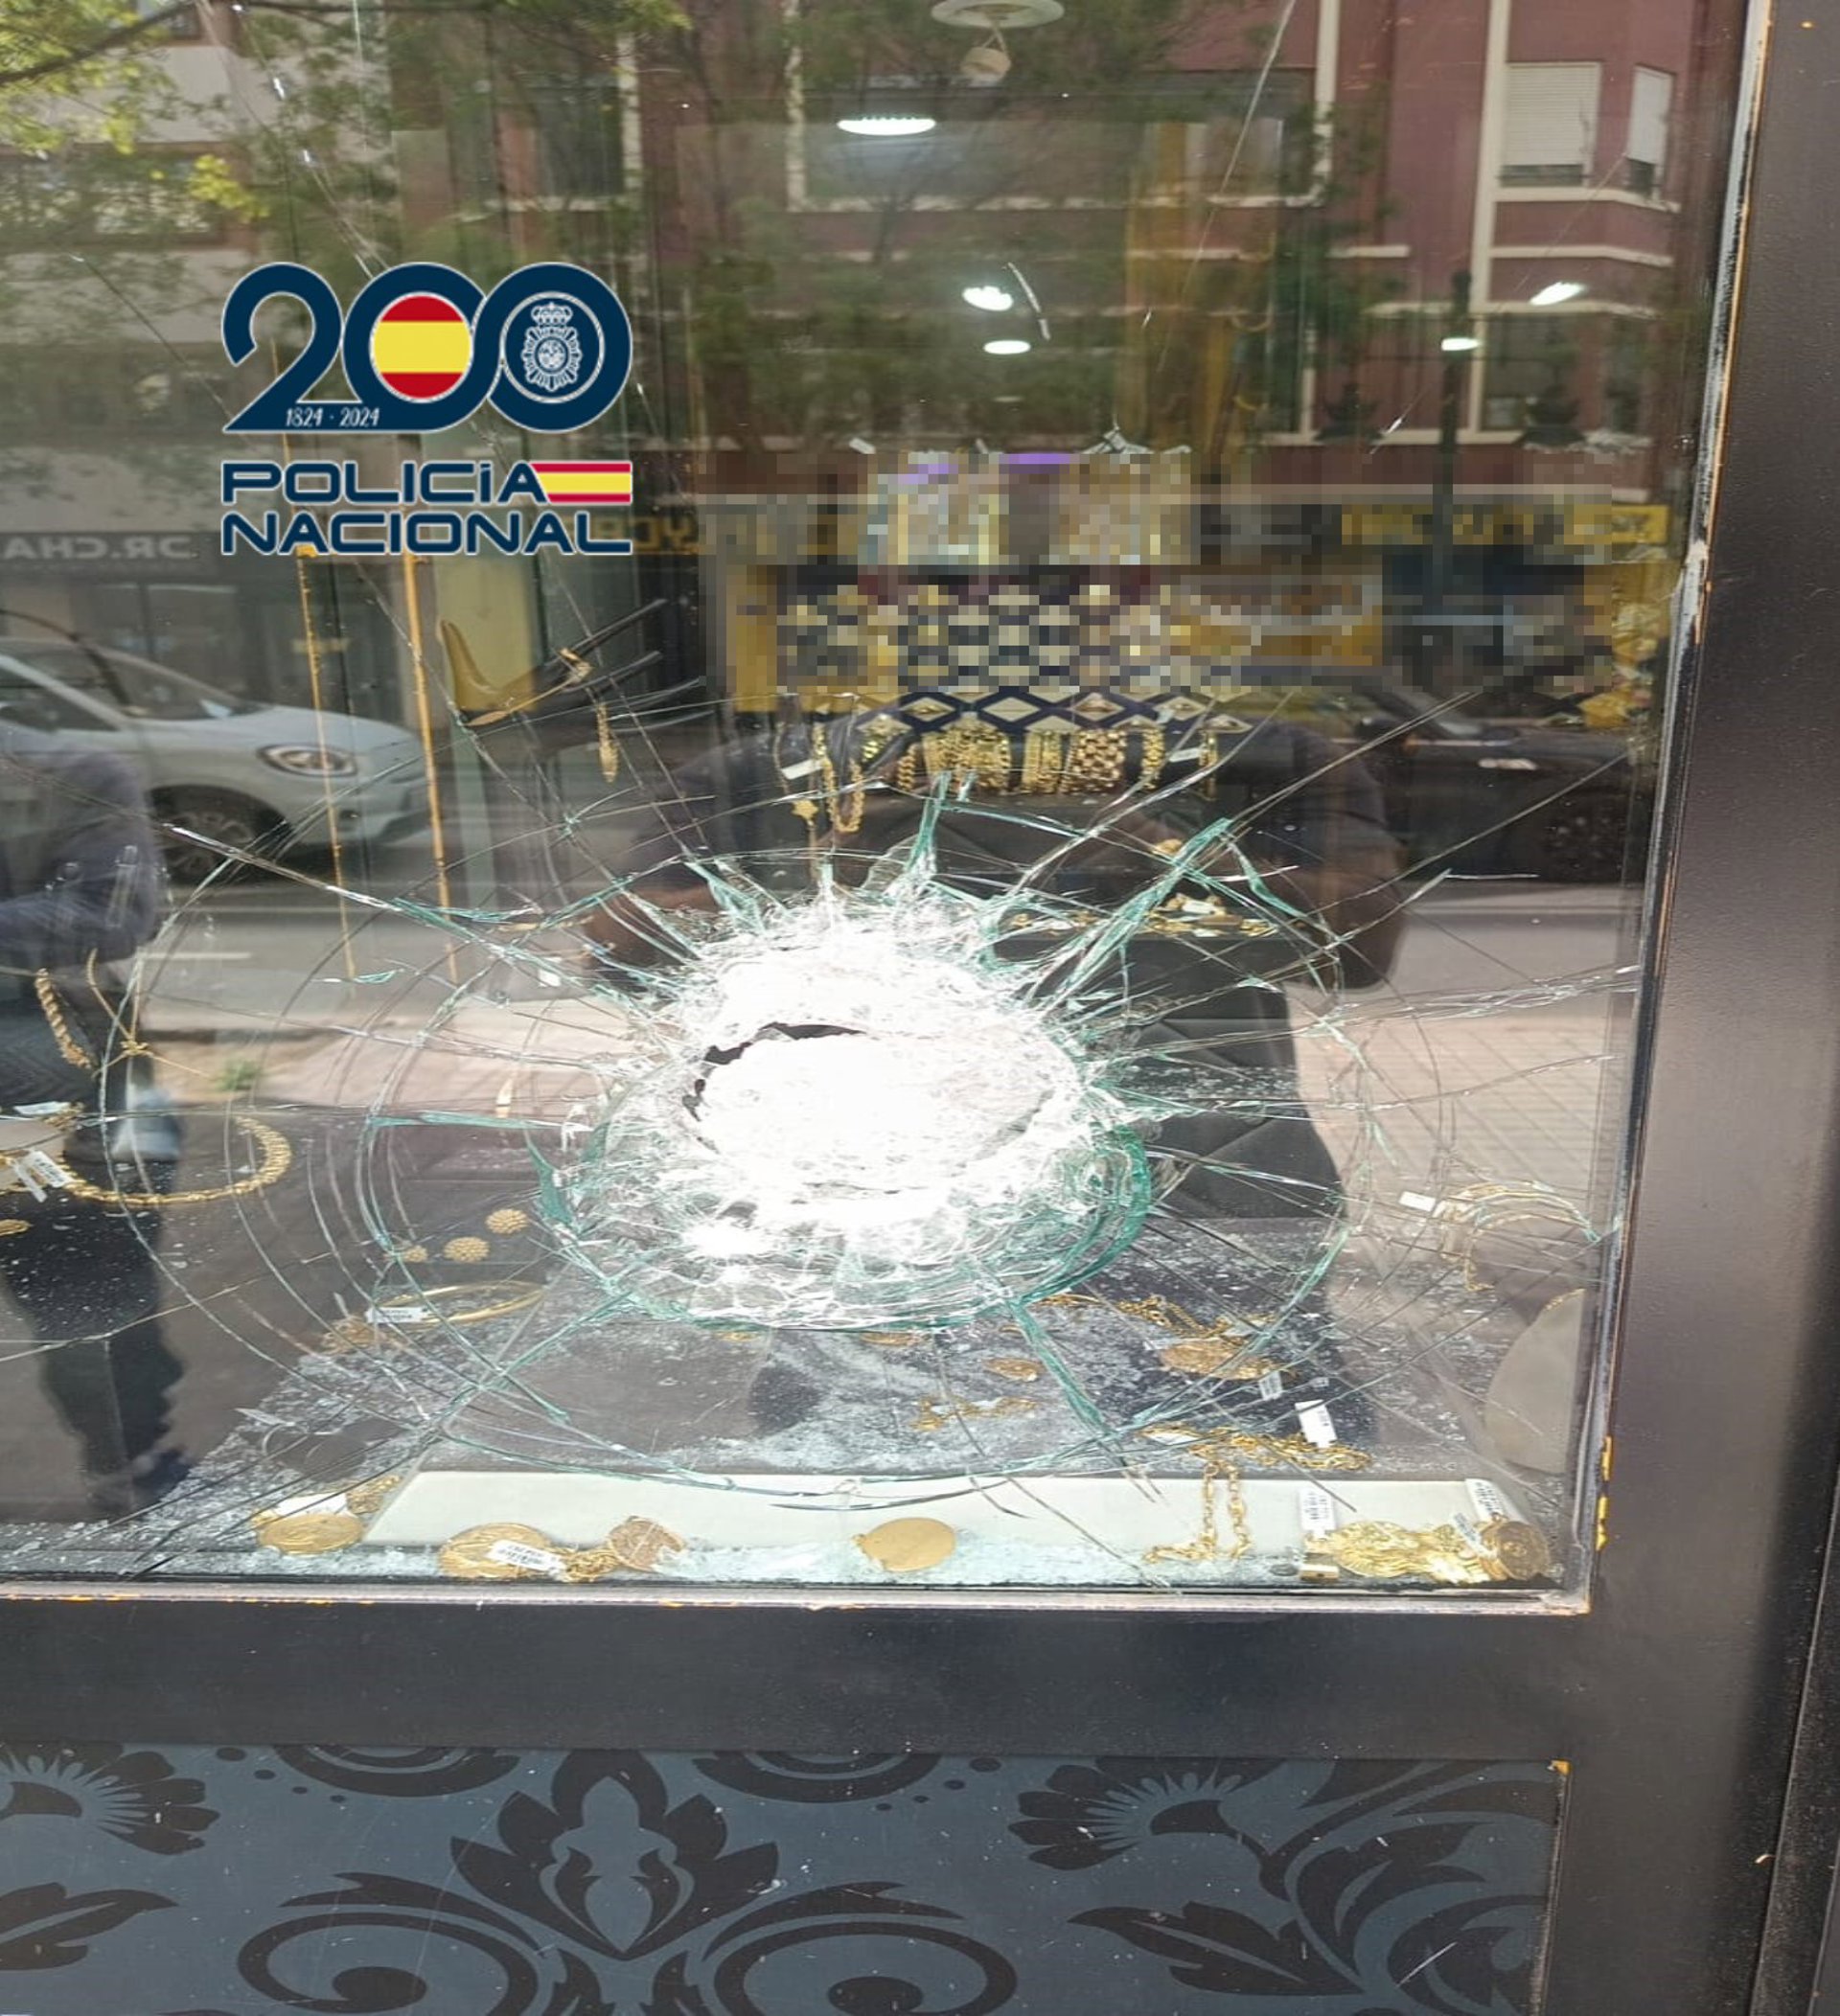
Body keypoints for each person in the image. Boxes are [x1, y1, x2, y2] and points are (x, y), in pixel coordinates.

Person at [0, 720, 186, 1518]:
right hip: (51, 1069)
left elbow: (113, 915)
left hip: (45, 1074)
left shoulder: (62, 770)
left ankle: (128, 1461)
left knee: (87, 1300)